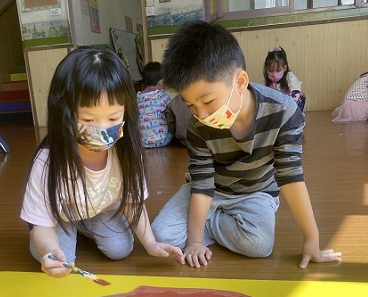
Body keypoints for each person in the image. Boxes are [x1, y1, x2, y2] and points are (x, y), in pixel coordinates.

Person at [151, 21, 341, 269]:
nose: (201, 114)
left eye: (208, 101)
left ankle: (210, 221)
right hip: (211, 191)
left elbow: (291, 177)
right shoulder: (198, 126)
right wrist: (195, 242)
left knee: (259, 245)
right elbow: (203, 184)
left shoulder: (284, 111)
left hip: (256, 192)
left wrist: (312, 239)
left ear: (240, 82)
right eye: (191, 106)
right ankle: (214, 222)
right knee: (161, 235)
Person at [20, 47, 185, 278]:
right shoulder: (48, 162)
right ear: (63, 113)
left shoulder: (127, 152)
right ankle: (67, 230)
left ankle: (85, 226)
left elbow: (132, 202)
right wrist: (49, 250)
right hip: (61, 214)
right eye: (88, 119)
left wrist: (150, 243)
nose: (104, 129)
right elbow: (42, 224)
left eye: (114, 117)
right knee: (59, 258)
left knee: (120, 250)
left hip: (102, 208)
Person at [137, 62, 173, 148]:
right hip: (163, 140)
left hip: (142, 142)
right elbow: (172, 111)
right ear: (161, 82)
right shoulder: (163, 95)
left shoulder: (137, 97)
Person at [263, 46, 306, 111]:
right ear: (266, 69)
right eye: (270, 71)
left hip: (294, 101)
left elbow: (296, 91)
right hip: (279, 105)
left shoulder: (289, 76)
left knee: (296, 98)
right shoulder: (268, 83)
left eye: (278, 70)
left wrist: (289, 106)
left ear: (285, 68)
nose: (274, 74)